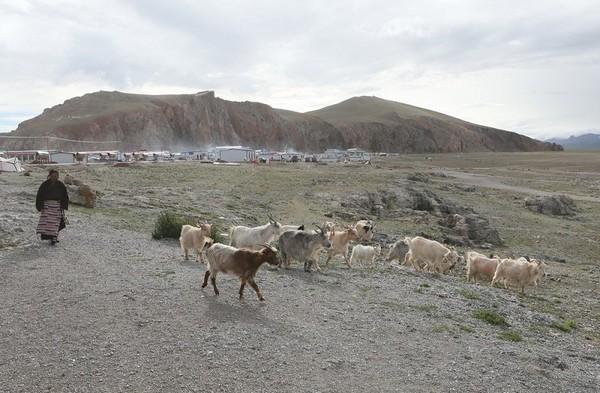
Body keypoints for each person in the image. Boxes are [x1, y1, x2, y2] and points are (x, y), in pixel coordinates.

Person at [36, 169, 69, 245]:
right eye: (53, 176)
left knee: (55, 224)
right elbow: (39, 196)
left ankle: (54, 237)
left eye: (56, 176)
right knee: (47, 224)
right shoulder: (44, 185)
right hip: (47, 207)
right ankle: (49, 237)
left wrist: (63, 205)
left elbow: (65, 196)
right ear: (50, 176)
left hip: (56, 207)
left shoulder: (61, 185)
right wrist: (40, 206)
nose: (54, 177)